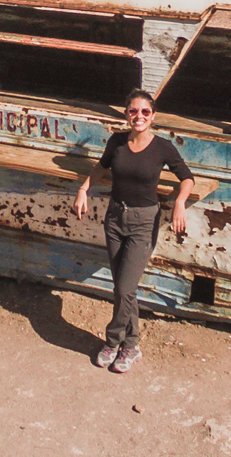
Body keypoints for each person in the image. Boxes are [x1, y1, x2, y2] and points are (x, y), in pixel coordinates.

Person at [72, 89, 196, 374]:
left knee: (125, 287)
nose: (138, 116)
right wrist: (83, 189)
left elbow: (187, 177)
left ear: (153, 116)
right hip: (114, 218)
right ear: (126, 113)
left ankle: (113, 341)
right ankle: (133, 345)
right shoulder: (116, 141)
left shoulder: (163, 147)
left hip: (144, 221)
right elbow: (101, 168)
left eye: (145, 112)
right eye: (132, 111)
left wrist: (179, 202)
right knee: (123, 290)